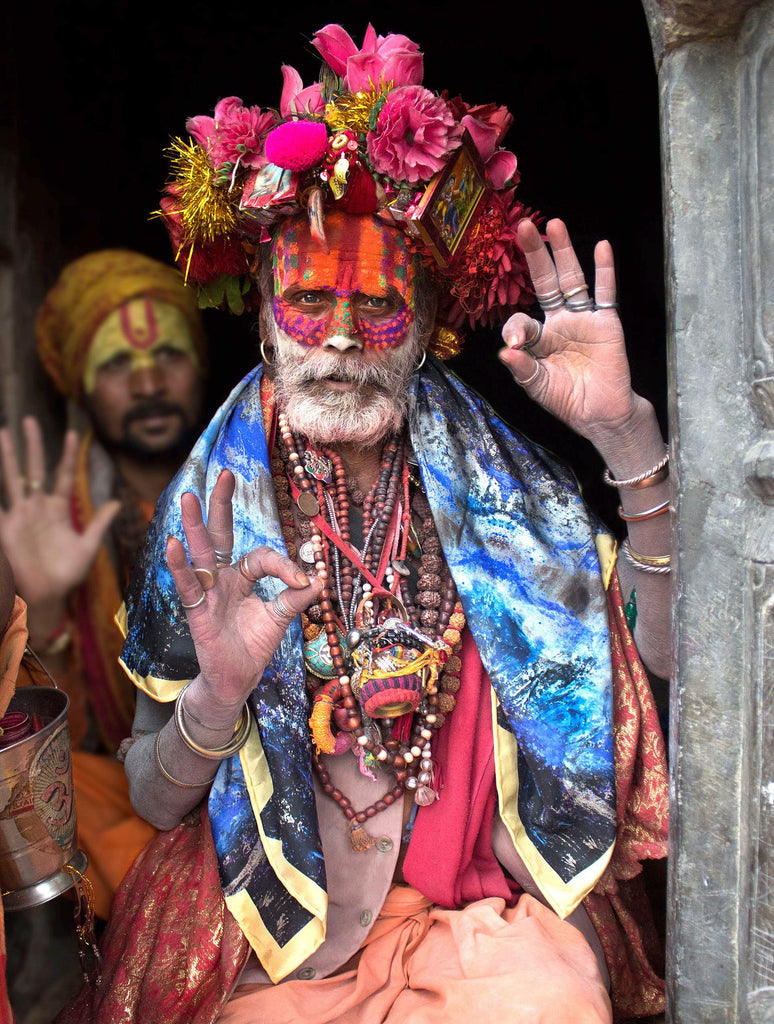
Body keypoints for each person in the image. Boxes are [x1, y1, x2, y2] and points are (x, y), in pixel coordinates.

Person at [56, 24, 669, 1024]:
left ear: (426, 329)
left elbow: (675, 666)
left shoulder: (508, 495)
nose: (340, 335)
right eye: (307, 298)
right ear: (263, 317)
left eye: (377, 303)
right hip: (275, 937)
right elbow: (154, 799)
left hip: (483, 920)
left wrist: (630, 443)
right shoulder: (216, 507)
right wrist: (215, 697)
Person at [0, 249, 209, 918]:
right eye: (117, 365)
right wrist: (45, 604)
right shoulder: (57, 524)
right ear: (81, 388)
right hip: (132, 786)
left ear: (202, 363)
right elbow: (57, 746)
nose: (147, 382)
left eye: (168, 354)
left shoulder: (259, 471)